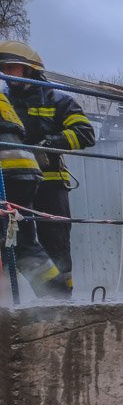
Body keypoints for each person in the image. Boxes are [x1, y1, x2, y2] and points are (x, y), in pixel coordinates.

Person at [0, 42, 96, 295]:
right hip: (14, 183)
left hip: (51, 183)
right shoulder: (5, 102)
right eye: (4, 68)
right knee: (18, 241)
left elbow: (85, 134)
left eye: (13, 67)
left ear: (30, 69)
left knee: (56, 243)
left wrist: (50, 144)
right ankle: (41, 297)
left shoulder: (58, 101)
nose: (7, 73)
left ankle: (63, 299)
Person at [0, 85, 69, 298]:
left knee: (12, 240)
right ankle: (57, 298)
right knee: (24, 244)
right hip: (24, 169)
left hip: (5, 169)